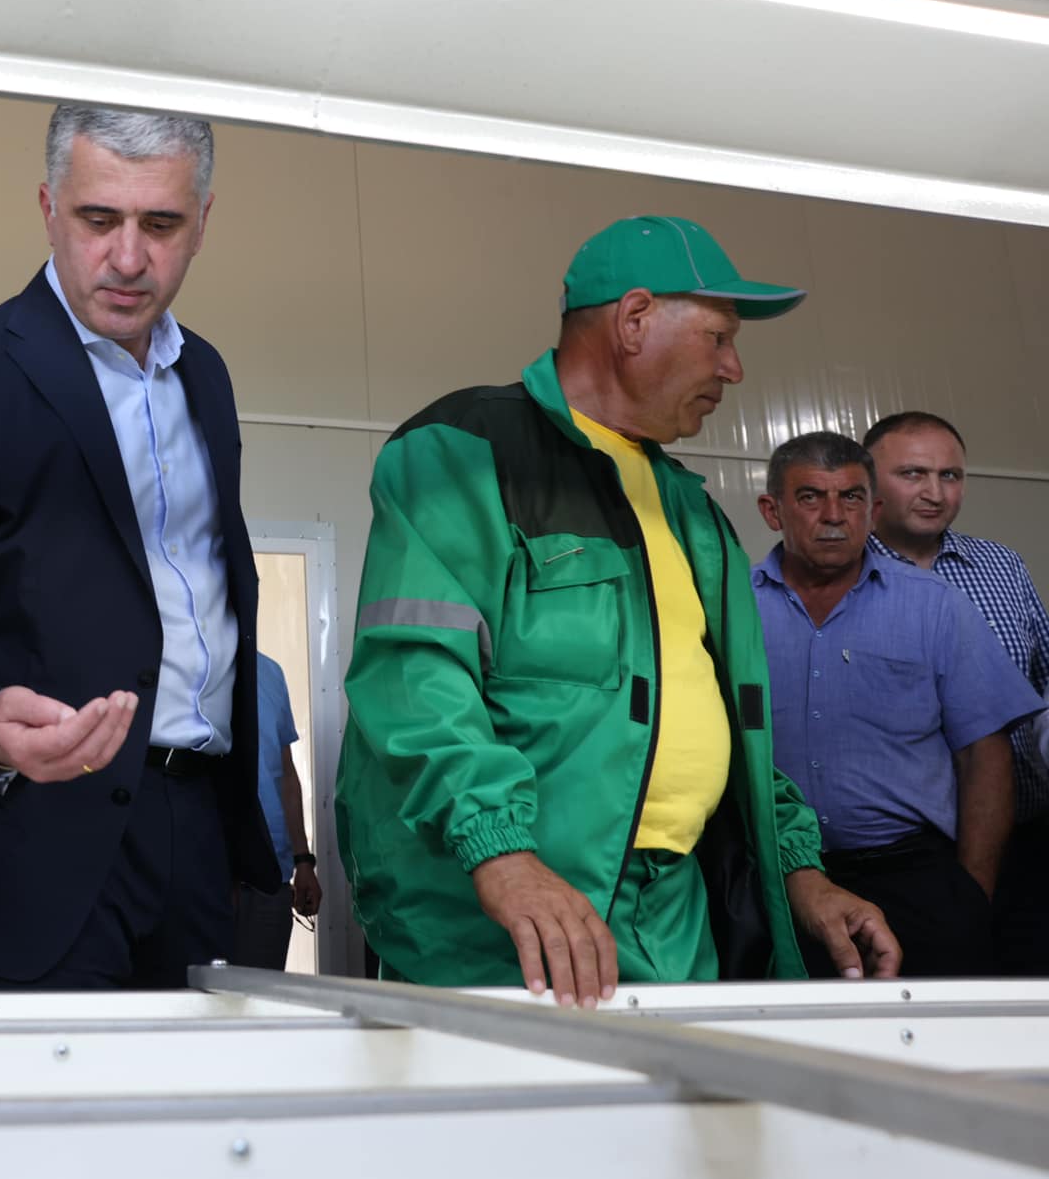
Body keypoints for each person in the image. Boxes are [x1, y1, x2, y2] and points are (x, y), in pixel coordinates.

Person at [336, 215, 900, 1007]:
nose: (734, 368)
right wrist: (500, 852)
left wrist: (799, 870)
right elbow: (414, 678)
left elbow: (730, 729)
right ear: (635, 320)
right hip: (504, 924)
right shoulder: (466, 451)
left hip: (673, 916)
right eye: (718, 338)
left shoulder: (693, 512)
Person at [0, 103, 279, 990]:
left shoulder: (206, 375)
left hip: (195, 830)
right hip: (26, 842)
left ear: (203, 223)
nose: (128, 258)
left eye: (160, 224)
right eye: (98, 219)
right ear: (49, 208)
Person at [755, 431, 1038, 976]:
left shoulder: (936, 606)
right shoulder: (732, 608)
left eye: (851, 498)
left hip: (915, 877)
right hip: (778, 879)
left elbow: (984, 755)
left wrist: (971, 892)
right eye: (810, 497)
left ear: (874, 510)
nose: (833, 515)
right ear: (773, 511)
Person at [865, 411, 1049, 973]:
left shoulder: (1001, 565)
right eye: (913, 474)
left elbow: (1044, 680)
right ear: (867, 482)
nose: (935, 492)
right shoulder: (845, 574)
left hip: (1030, 838)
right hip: (919, 855)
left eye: (950, 475)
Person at [231, 652, 323, 970]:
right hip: (206, 875)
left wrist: (303, 861)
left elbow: (284, 771)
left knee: (259, 993)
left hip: (272, 877)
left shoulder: (270, 671)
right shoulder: (181, 665)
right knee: (198, 994)